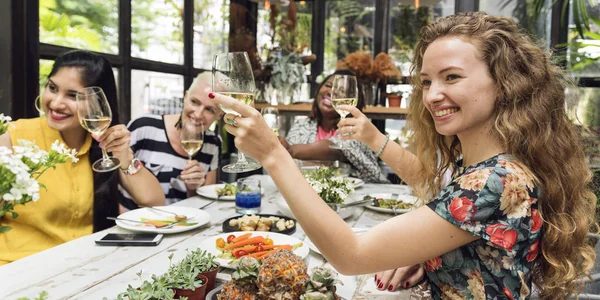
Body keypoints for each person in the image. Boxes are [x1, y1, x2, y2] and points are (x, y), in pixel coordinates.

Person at [210, 12, 597, 299]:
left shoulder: (495, 181)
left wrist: (275, 155)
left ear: (505, 83)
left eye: (452, 77)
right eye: (426, 81)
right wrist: (434, 260)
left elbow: (351, 255)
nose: (431, 96)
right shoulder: (486, 165)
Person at [0, 50, 165, 265]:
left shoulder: (101, 145)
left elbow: (155, 202)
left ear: (98, 101)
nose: (56, 103)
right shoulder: (12, 136)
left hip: (81, 269)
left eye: (73, 95)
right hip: (18, 270)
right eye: (52, 88)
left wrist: (124, 157)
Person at [119, 72, 223, 209]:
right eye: (194, 102)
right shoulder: (143, 127)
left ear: (219, 115)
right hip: (133, 224)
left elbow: (206, 207)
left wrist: (192, 189)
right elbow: (113, 180)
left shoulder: (213, 143)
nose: (198, 114)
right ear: (185, 97)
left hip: (181, 225)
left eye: (209, 109)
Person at [279, 70, 388, 183]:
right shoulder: (301, 125)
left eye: (342, 90)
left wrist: (291, 150)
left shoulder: (357, 128)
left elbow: (337, 151)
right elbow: (288, 164)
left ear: (355, 99)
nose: (331, 92)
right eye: (328, 85)